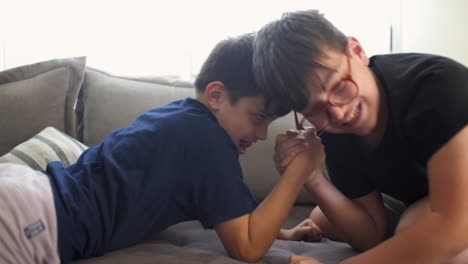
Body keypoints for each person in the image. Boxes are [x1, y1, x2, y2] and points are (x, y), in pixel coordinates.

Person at [0, 33, 326, 263]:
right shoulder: (208, 143)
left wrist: (283, 233)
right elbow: (247, 248)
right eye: (258, 117)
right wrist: (300, 170)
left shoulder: (183, 118)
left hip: (25, 194)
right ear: (216, 96)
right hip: (34, 218)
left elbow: (232, 216)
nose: (262, 134)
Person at [252, 9, 468, 264]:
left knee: (425, 232)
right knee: (324, 217)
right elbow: (370, 234)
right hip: (422, 198)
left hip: (456, 205)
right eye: (315, 109)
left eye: (339, 86)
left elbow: (453, 222)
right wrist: (312, 175)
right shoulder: (333, 132)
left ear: (356, 51)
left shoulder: (437, 87)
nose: (339, 113)